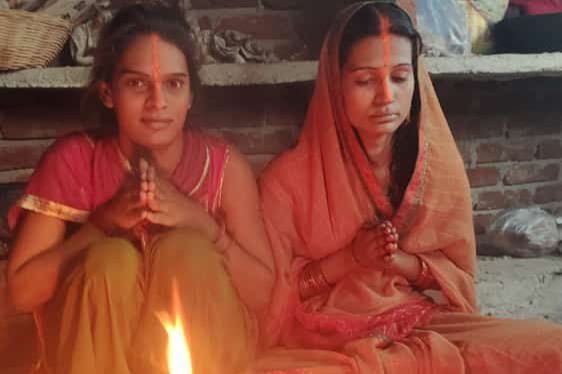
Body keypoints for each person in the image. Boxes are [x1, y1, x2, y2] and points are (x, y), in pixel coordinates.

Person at [256, 2, 562, 373]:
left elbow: (455, 277)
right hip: (326, 338)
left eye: (400, 77)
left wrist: (398, 261)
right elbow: (269, 299)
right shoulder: (284, 182)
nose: (386, 96)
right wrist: (349, 260)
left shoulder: (434, 169)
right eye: (365, 80)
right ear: (334, 84)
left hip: (416, 321)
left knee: (551, 348)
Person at [6, 4, 273, 374]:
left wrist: (201, 222)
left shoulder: (224, 167)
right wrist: (101, 225)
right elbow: (21, 292)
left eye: (174, 84)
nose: (157, 102)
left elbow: (262, 294)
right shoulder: (75, 160)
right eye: (136, 83)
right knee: (108, 262)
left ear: (191, 95)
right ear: (107, 92)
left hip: (208, 353)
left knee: (188, 252)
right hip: (95, 355)